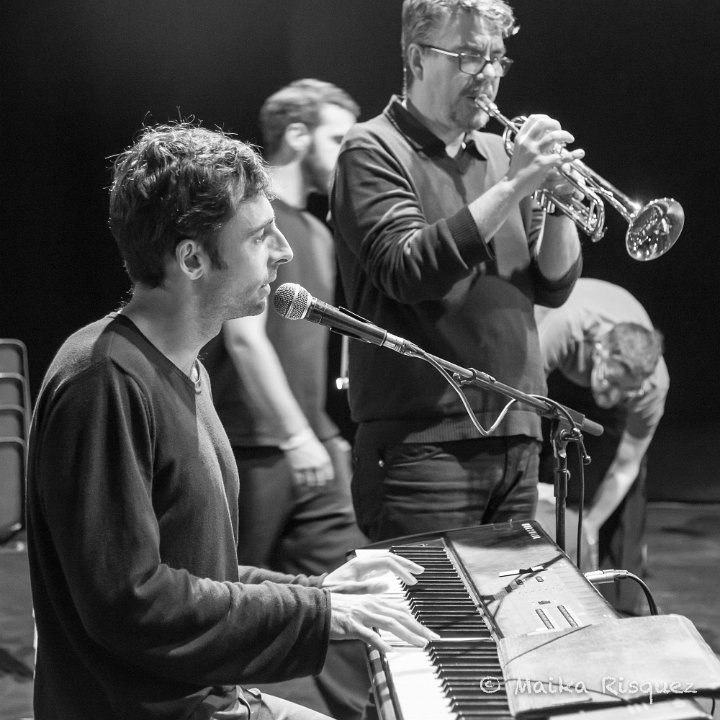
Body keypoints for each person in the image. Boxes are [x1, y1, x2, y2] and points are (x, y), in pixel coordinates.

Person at [25, 122, 438, 720]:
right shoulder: (104, 380)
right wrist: (317, 613)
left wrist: (322, 588)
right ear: (192, 258)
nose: (284, 251)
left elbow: (197, 573)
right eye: (261, 236)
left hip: (207, 698)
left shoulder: (184, 368)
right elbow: (130, 601)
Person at [329, 0, 584, 543]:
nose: (488, 73)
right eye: (469, 56)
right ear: (418, 58)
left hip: (519, 435)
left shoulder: (500, 153)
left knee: (512, 601)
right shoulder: (370, 147)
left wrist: (560, 203)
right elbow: (408, 269)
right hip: (423, 445)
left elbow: (552, 286)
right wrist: (513, 186)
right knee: (435, 602)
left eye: (497, 58)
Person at [201, 80, 369, 719]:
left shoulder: (316, 236)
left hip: (308, 448)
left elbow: (312, 354)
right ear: (297, 136)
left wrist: (323, 433)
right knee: (225, 599)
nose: (350, 154)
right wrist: (297, 436)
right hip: (252, 447)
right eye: (338, 138)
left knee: (346, 583)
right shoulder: (249, 221)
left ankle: (369, 710)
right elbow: (245, 340)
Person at [535, 277, 669, 615]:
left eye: (625, 390)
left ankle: (619, 606)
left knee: (625, 500)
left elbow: (626, 466)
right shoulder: (564, 329)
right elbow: (517, 404)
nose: (612, 395)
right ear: (600, 351)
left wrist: (591, 526)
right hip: (554, 369)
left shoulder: (652, 386)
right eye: (610, 381)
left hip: (600, 382)